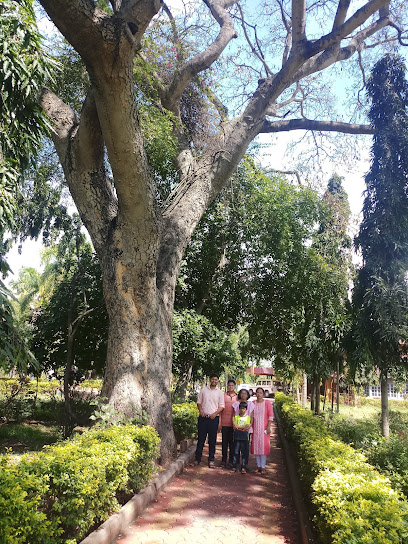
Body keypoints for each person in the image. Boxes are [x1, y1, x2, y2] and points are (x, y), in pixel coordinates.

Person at [194, 374, 225, 468]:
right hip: (203, 418)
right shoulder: (203, 390)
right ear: (209, 380)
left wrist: (215, 414)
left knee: (212, 440)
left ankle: (211, 460)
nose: (214, 381)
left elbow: (222, 406)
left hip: (213, 419)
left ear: (218, 381)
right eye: (212, 379)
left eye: (216, 379)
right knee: (201, 439)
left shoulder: (220, 393)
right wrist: (201, 411)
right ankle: (197, 459)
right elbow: (199, 403)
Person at [250, 387, 274, 474]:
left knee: (263, 447)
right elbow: (250, 415)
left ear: (263, 394)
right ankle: (258, 466)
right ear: (255, 394)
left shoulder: (267, 403)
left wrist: (268, 426)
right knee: (256, 447)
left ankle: (263, 467)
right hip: (255, 428)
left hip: (264, 429)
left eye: (260, 393)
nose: (259, 394)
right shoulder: (252, 403)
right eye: (257, 393)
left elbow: (270, 415)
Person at [219, 379, 238, 468]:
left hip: (234, 424)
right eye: (229, 385)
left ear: (234, 387)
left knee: (232, 443)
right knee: (224, 443)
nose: (230, 387)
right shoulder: (223, 396)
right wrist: (220, 422)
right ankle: (223, 460)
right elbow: (220, 409)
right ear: (227, 387)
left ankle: (231, 461)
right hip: (224, 423)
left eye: (232, 386)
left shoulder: (237, 397)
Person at [232, 401, 251, 474]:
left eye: (244, 409)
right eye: (241, 408)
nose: (242, 410)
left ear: (246, 409)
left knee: (244, 452)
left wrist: (239, 427)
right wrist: (241, 428)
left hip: (245, 437)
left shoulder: (248, 417)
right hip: (237, 436)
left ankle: (243, 466)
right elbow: (235, 427)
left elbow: (246, 427)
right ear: (239, 409)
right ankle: (235, 465)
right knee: (236, 452)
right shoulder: (236, 417)